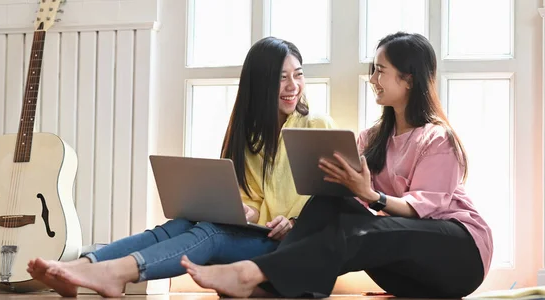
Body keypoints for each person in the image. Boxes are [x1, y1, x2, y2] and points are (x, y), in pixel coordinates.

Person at [180, 32, 494, 299]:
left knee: (364, 228)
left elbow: (423, 209)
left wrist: (372, 196)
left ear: (408, 80)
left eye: (380, 71)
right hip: (411, 274)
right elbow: (347, 205)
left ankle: (252, 274)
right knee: (329, 202)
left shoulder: (437, 139)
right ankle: (281, 284)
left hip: (460, 254)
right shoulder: (371, 138)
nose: (372, 79)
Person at [26, 36, 336, 298]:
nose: (293, 85)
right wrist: (246, 210)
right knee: (180, 224)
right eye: (282, 77)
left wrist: (294, 221)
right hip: (259, 237)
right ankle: (82, 266)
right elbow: (255, 200)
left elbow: (331, 199)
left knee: (210, 233)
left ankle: (116, 273)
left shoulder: (317, 125)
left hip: (292, 250)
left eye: (298, 74)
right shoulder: (250, 137)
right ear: (260, 82)